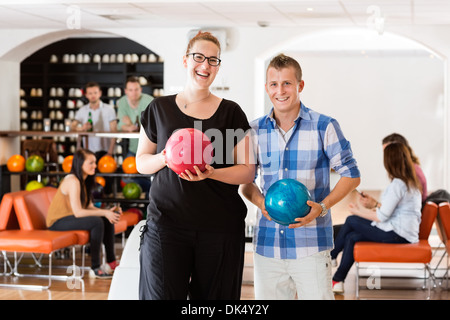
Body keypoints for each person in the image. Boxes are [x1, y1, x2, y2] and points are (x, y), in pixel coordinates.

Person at [136, 31, 255, 300]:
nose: (205, 66)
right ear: (185, 60)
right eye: (198, 57)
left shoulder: (232, 112)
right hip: (166, 227)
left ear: (218, 66)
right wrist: (165, 158)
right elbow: (141, 162)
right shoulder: (159, 108)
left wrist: (212, 173)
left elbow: (247, 170)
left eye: (213, 60)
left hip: (220, 229)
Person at [240, 53, 360, 300]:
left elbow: (352, 175)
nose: (280, 91)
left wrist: (323, 207)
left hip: (311, 246)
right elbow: (246, 183)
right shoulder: (253, 130)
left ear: (300, 86)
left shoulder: (324, 126)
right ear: (266, 88)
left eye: (287, 83)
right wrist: (261, 203)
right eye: (274, 84)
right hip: (268, 246)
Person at [330, 142, 422, 293]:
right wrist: (371, 205)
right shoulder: (410, 183)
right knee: (352, 237)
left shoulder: (398, 184)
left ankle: (332, 256)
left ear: (389, 162)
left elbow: (382, 216)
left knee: (351, 220)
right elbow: (388, 212)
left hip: (398, 234)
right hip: (401, 232)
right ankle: (337, 280)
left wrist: (356, 211)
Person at [46, 148, 122, 278]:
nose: (95, 166)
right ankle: (95, 268)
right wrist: (103, 213)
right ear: (80, 163)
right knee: (97, 221)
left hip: (69, 218)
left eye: (95, 162)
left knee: (105, 219)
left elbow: (89, 206)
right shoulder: (73, 181)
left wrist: (106, 212)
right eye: (91, 163)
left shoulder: (84, 181)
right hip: (57, 222)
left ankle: (111, 263)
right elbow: (78, 212)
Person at [117, 76, 154, 195]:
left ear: (140, 90)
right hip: (134, 148)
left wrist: (130, 124)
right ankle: (146, 191)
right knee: (126, 178)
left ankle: (149, 195)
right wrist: (128, 127)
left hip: (150, 148)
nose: (134, 93)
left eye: (136, 89)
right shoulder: (122, 101)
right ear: (126, 91)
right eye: (130, 90)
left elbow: (152, 123)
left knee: (151, 175)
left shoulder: (149, 100)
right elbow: (120, 125)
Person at [71, 82, 118, 158]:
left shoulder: (109, 109)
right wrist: (82, 128)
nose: (93, 95)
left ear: (100, 93)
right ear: (86, 95)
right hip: (88, 151)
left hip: (106, 151)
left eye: (95, 92)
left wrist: (110, 152)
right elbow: (72, 126)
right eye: (90, 93)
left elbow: (114, 131)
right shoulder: (82, 110)